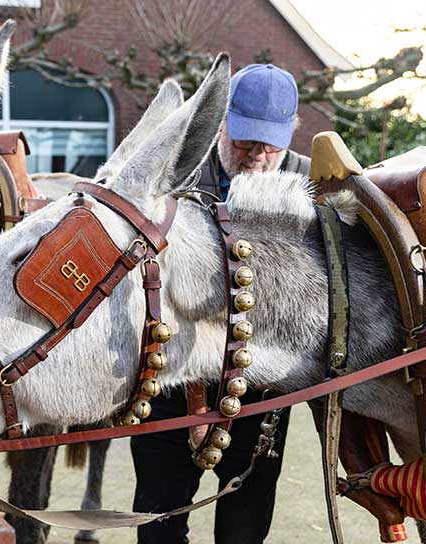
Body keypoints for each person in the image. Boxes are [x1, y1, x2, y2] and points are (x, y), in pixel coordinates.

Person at [131, 63, 310, 544]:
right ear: (223, 121)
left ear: (291, 132)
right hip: (168, 377)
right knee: (157, 527)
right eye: (246, 139)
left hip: (262, 390)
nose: (257, 154)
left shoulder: (310, 185)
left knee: (244, 531)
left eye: (269, 143)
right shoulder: (177, 170)